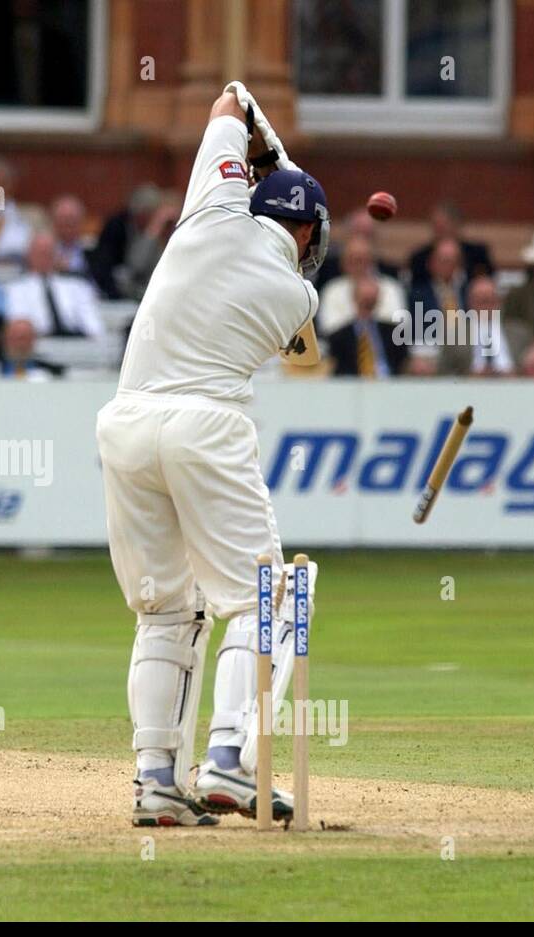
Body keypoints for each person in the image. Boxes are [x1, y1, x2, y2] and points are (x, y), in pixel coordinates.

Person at [95, 82, 323, 827]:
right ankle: (228, 759)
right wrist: (288, 173)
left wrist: (263, 144)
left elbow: (230, 98)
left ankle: (156, 779)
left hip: (127, 421)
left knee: (166, 610)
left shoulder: (211, 208)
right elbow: (297, 331)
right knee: (270, 598)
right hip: (206, 424)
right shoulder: (298, 299)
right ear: (307, 236)